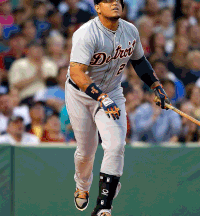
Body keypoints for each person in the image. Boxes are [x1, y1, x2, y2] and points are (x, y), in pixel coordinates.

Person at [65, 0, 171, 215]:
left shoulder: (130, 30)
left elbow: (139, 61)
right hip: (80, 94)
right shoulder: (86, 33)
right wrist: (100, 97)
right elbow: (76, 73)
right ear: (97, 7)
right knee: (87, 151)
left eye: (118, 0)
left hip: (112, 92)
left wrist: (156, 85)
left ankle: (103, 206)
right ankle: (82, 185)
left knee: (115, 146)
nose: (115, 3)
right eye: (108, 0)